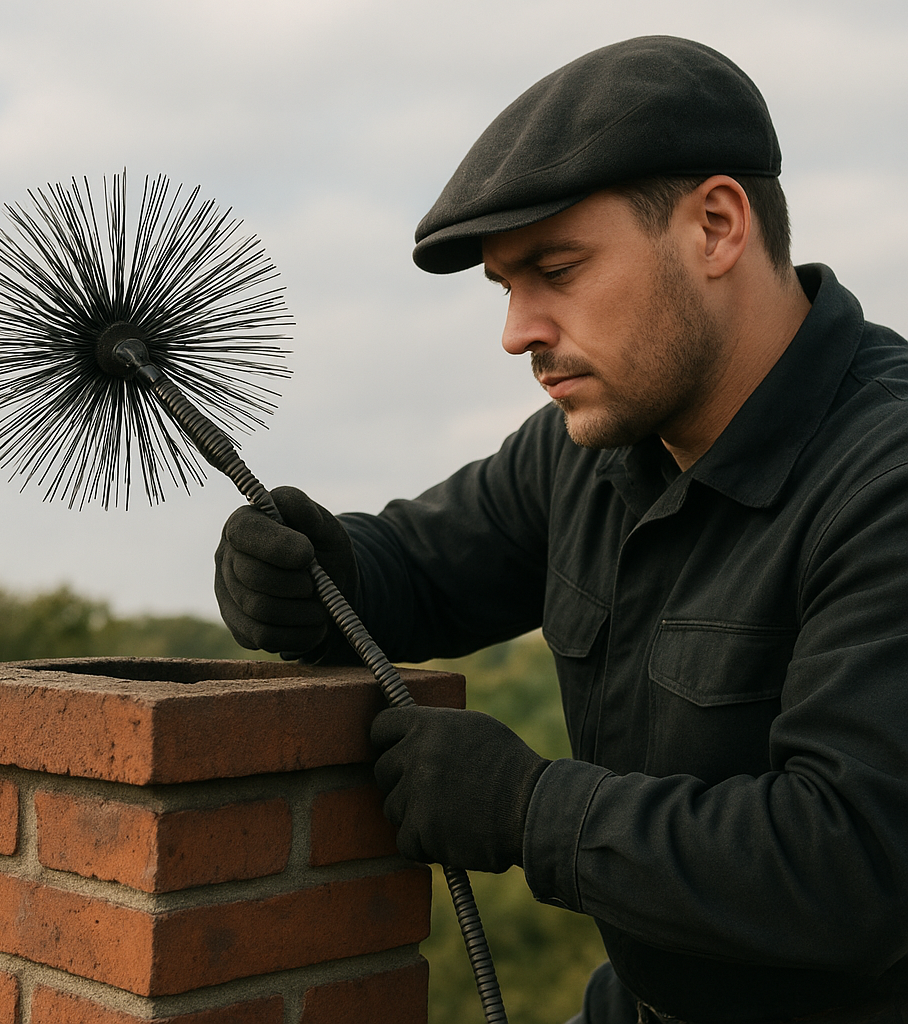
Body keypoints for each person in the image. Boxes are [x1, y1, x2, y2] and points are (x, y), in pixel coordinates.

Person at [214, 35, 908, 1024]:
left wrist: (528, 808)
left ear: (715, 227)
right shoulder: (594, 447)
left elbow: (857, 868)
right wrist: (315, 573)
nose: (518, 332)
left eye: (557, 269)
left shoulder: (885, 477)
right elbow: (415, 570)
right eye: (507, 286)